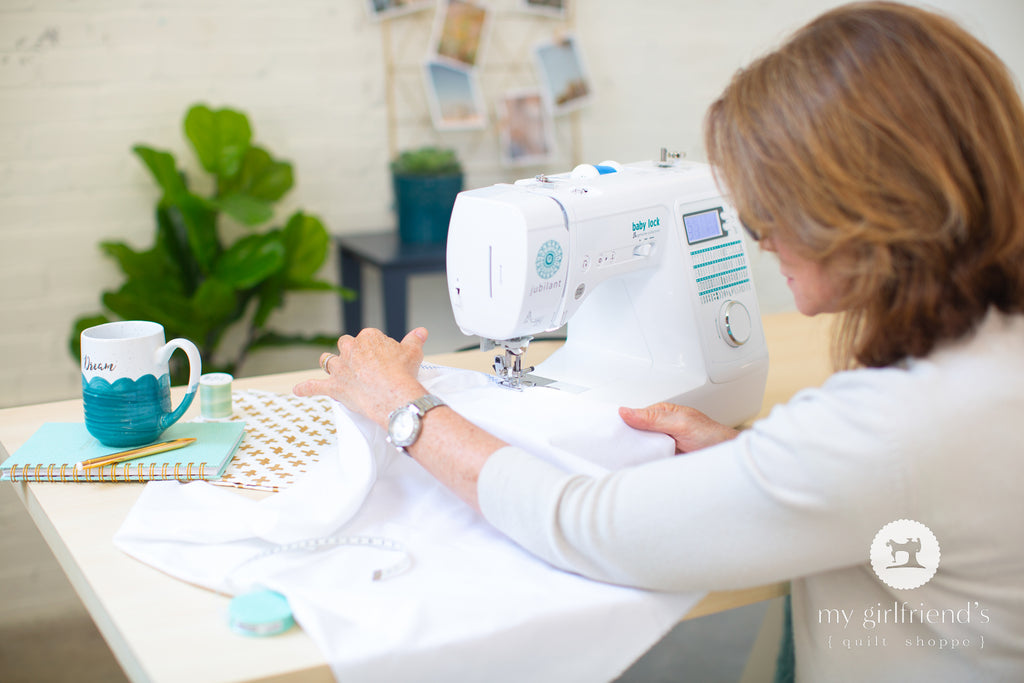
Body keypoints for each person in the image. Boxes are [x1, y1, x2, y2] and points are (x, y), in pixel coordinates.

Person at [295, 2, 1024, 680]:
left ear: (866, 208)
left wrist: (406, 407)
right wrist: (750, 461)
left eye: (777, 201)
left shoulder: (892, 428)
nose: (759, 234)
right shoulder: (985, 360)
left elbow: (587, 526)